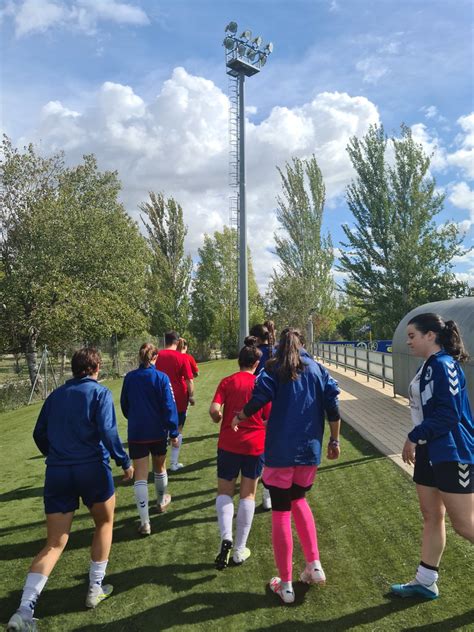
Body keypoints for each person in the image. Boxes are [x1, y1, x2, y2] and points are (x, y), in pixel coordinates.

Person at [7, 348, 133, 632]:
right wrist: (124, 461)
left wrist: (56, 454)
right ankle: (94, 589)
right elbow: (108, 430)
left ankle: (24, 609)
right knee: (104, 522)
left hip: (58, 471)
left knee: (54, 542)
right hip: (92, 469)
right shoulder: (99, 393)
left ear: (74, 369)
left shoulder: (55, 396)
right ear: (96, 367)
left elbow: (39, 433)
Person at [231, 327, 341, 605]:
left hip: (280, 452)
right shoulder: (317, 369)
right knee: (299, 500)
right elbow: (334, 406)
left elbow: (258, 399)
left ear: (279, 344)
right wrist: (335, 441)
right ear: (303, 343)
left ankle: (287, 584)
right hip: (309, 451)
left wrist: (239, 416)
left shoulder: (274, 370)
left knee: (281, 512)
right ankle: (314, 565)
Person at [390, 313, 474, 600]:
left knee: (464, 524)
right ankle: (426, 581)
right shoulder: (427, 365)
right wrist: (417, 439)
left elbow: (449, 416)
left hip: (452, 451)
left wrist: (413, 436)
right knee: (431, 515)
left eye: (412, 335)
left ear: (430, 335)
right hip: (429, 451)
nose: (408, 341)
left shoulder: (445, 365)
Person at [209, 337, 270, 569]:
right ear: (256, 364)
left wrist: (219, 419)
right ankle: (239, 549)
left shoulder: (227, 382)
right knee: (248, 495)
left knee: (225, 492)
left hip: (228, 443)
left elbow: (214, 410)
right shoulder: (261, 384)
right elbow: (267, 417)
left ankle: (226, 536)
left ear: (239, 361)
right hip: (254, 445)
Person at [120, 343, 179, 535]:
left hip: (137, 432)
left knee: (140, 476)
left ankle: (145, 522)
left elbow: (124, 405)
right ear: (155, 358)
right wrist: (173, 431)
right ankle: (161, 502)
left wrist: (136, 418)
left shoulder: (130, 378)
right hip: (157, 432)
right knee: (159, 468)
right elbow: (169, 406)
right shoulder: (161, 377)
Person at [155, 331, 195, 471]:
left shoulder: (156, 356)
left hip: (159, 397)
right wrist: (191, 395)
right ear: (177, 342)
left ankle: (161, 465)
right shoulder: (181, 357)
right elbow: (189, 380)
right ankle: (173, 463)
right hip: (178, 398)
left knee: (162, 429)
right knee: (177, 429)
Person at [249, 320, 277, 511]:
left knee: (261, 449)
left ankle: (264, 494)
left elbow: (251, 379)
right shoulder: (276, 352)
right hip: (277, 403)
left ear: (257, 338)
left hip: (261, 403)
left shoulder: (256, 353)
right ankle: (268, 494)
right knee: (273, 450)